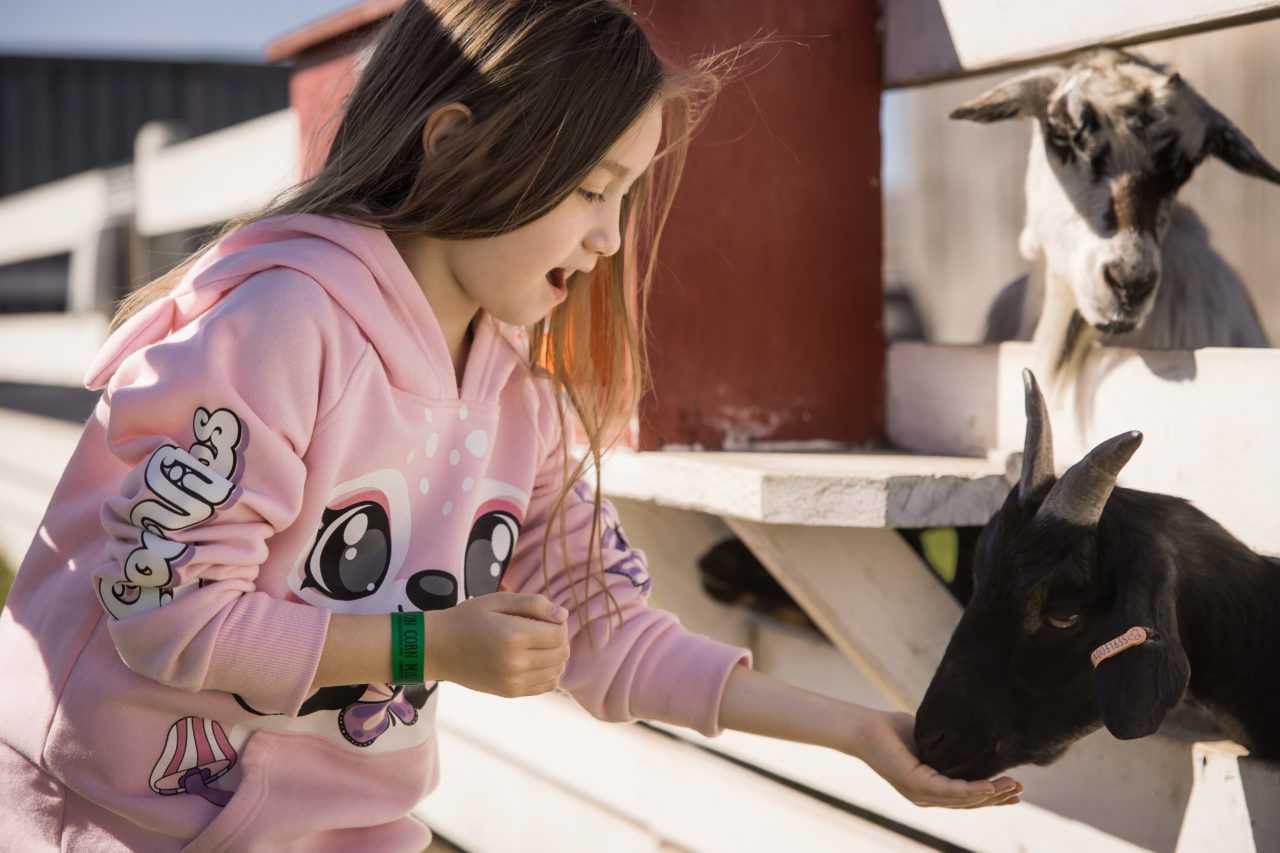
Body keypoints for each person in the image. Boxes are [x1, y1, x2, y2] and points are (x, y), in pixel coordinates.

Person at [0, 1, 1022, 849]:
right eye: (590, 189)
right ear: (455, 144)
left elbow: (607, 635)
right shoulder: (278, 324)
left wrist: (857, 733)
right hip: (98, 816)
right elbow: (171, 615)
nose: (611, 237)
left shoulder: (516, 404)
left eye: (624, 195)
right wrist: (421, 644)